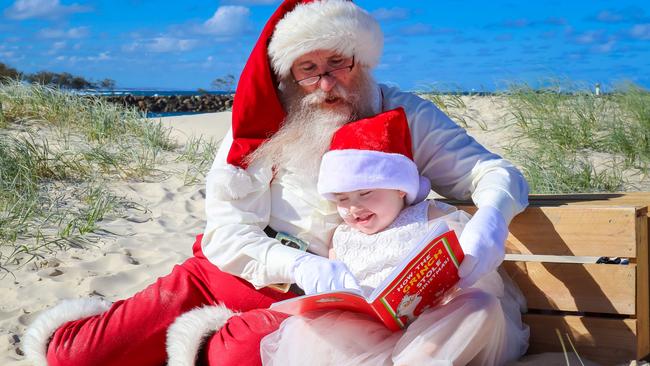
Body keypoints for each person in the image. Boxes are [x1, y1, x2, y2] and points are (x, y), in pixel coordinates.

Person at [23, 1, 529, 365]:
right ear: (287, 74)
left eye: (338, 63)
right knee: (77, 356)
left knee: (239, 354)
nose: (326, 83)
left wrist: (489, 222)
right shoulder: (260, 124)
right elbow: (225, 234)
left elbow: (494, 173)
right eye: (309, 69)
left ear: (363, 60)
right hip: (218, 272)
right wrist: (302, 265)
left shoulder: (404, 113)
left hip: (306, 303)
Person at [260, 107, 528, 366]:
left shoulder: (431, 215)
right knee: (308, 330)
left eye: (366, 193)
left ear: (400, 188)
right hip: (375, 337)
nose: (354, 207)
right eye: (342, 199)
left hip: (433, 328)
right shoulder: (342, 236)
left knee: (479, 306)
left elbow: (473, 270)